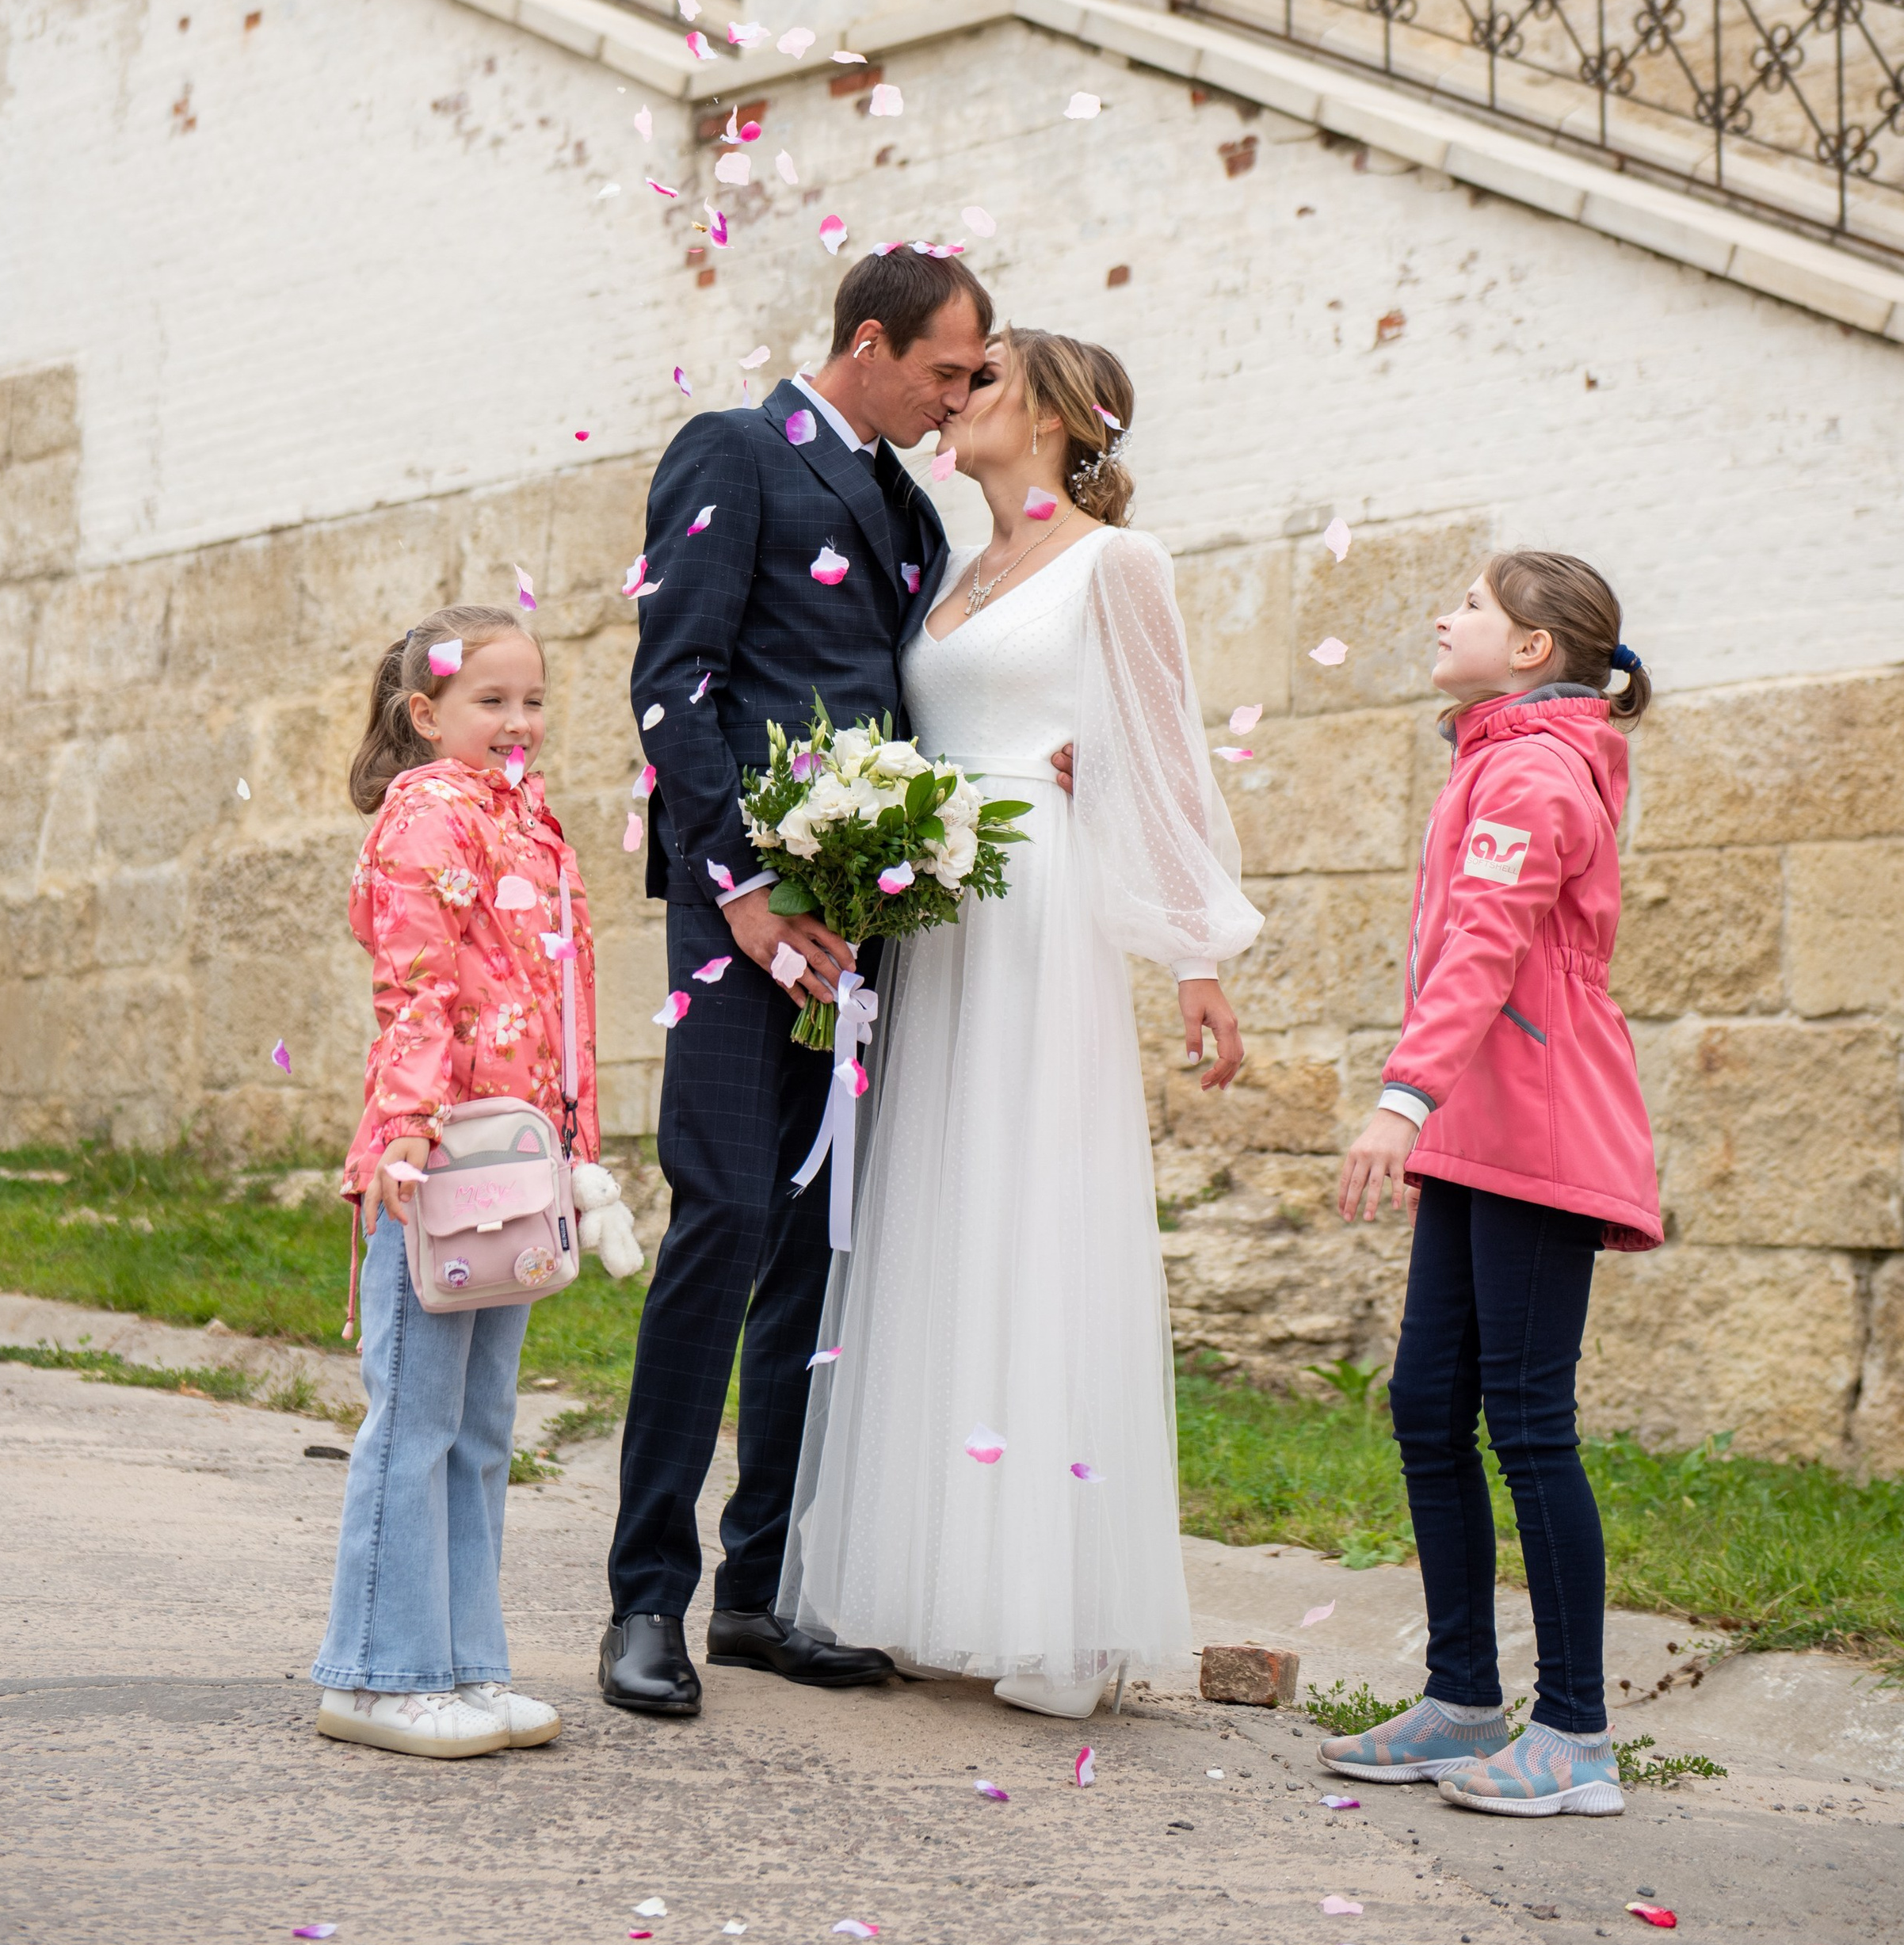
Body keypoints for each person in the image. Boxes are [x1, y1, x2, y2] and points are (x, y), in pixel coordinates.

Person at [778, 328, 1258, 1718]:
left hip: (1039, 917)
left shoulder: (1121, 563)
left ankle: (1053, 1611)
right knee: (940, 1228)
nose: (954, 398)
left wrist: (1192, 961)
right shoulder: (946, 569)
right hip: (940, 926)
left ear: (1055, 415)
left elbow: (1161, 760)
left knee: (1037, 1219)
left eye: (982, 381)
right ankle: (945, 1583)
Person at [602, 249, 1046, 1718]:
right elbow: (677, 680)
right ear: (870, 340)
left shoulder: (912, 511)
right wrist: (739, 885)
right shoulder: (735, 450)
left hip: (867, 925)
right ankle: (645, 1601)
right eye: (946, 369)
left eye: (977, 376)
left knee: (819, 1249)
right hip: (745, 920)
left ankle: (761, 1592)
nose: (961, 394)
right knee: (724, 1221)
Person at [1326, 551, 1662, 1818]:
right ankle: (1464, 1702)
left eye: (1469, 604)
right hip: (1482, 1124)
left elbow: (1486, 942)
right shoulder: (1495, 752)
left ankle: (1575, 1735)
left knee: (1527, 1422)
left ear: (1533, 647)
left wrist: (1399, 1098)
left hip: (1539, 1128)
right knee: (1426, 1404)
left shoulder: (1531, 767)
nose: (1442, 616)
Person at [313, 603, 597, 1759]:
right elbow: (416, 986)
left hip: (509, 1163)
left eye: (533, 701)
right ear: (427, 716)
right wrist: (405, 1130)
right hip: (431, 1162)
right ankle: (377, 1676)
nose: (518, 722)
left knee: (482, 1427)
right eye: (492, 702)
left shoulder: (531, 823)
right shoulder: (429, 813)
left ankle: (466, 1667)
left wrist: (576, 1142)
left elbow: (563, 1005)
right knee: (417, 1419)